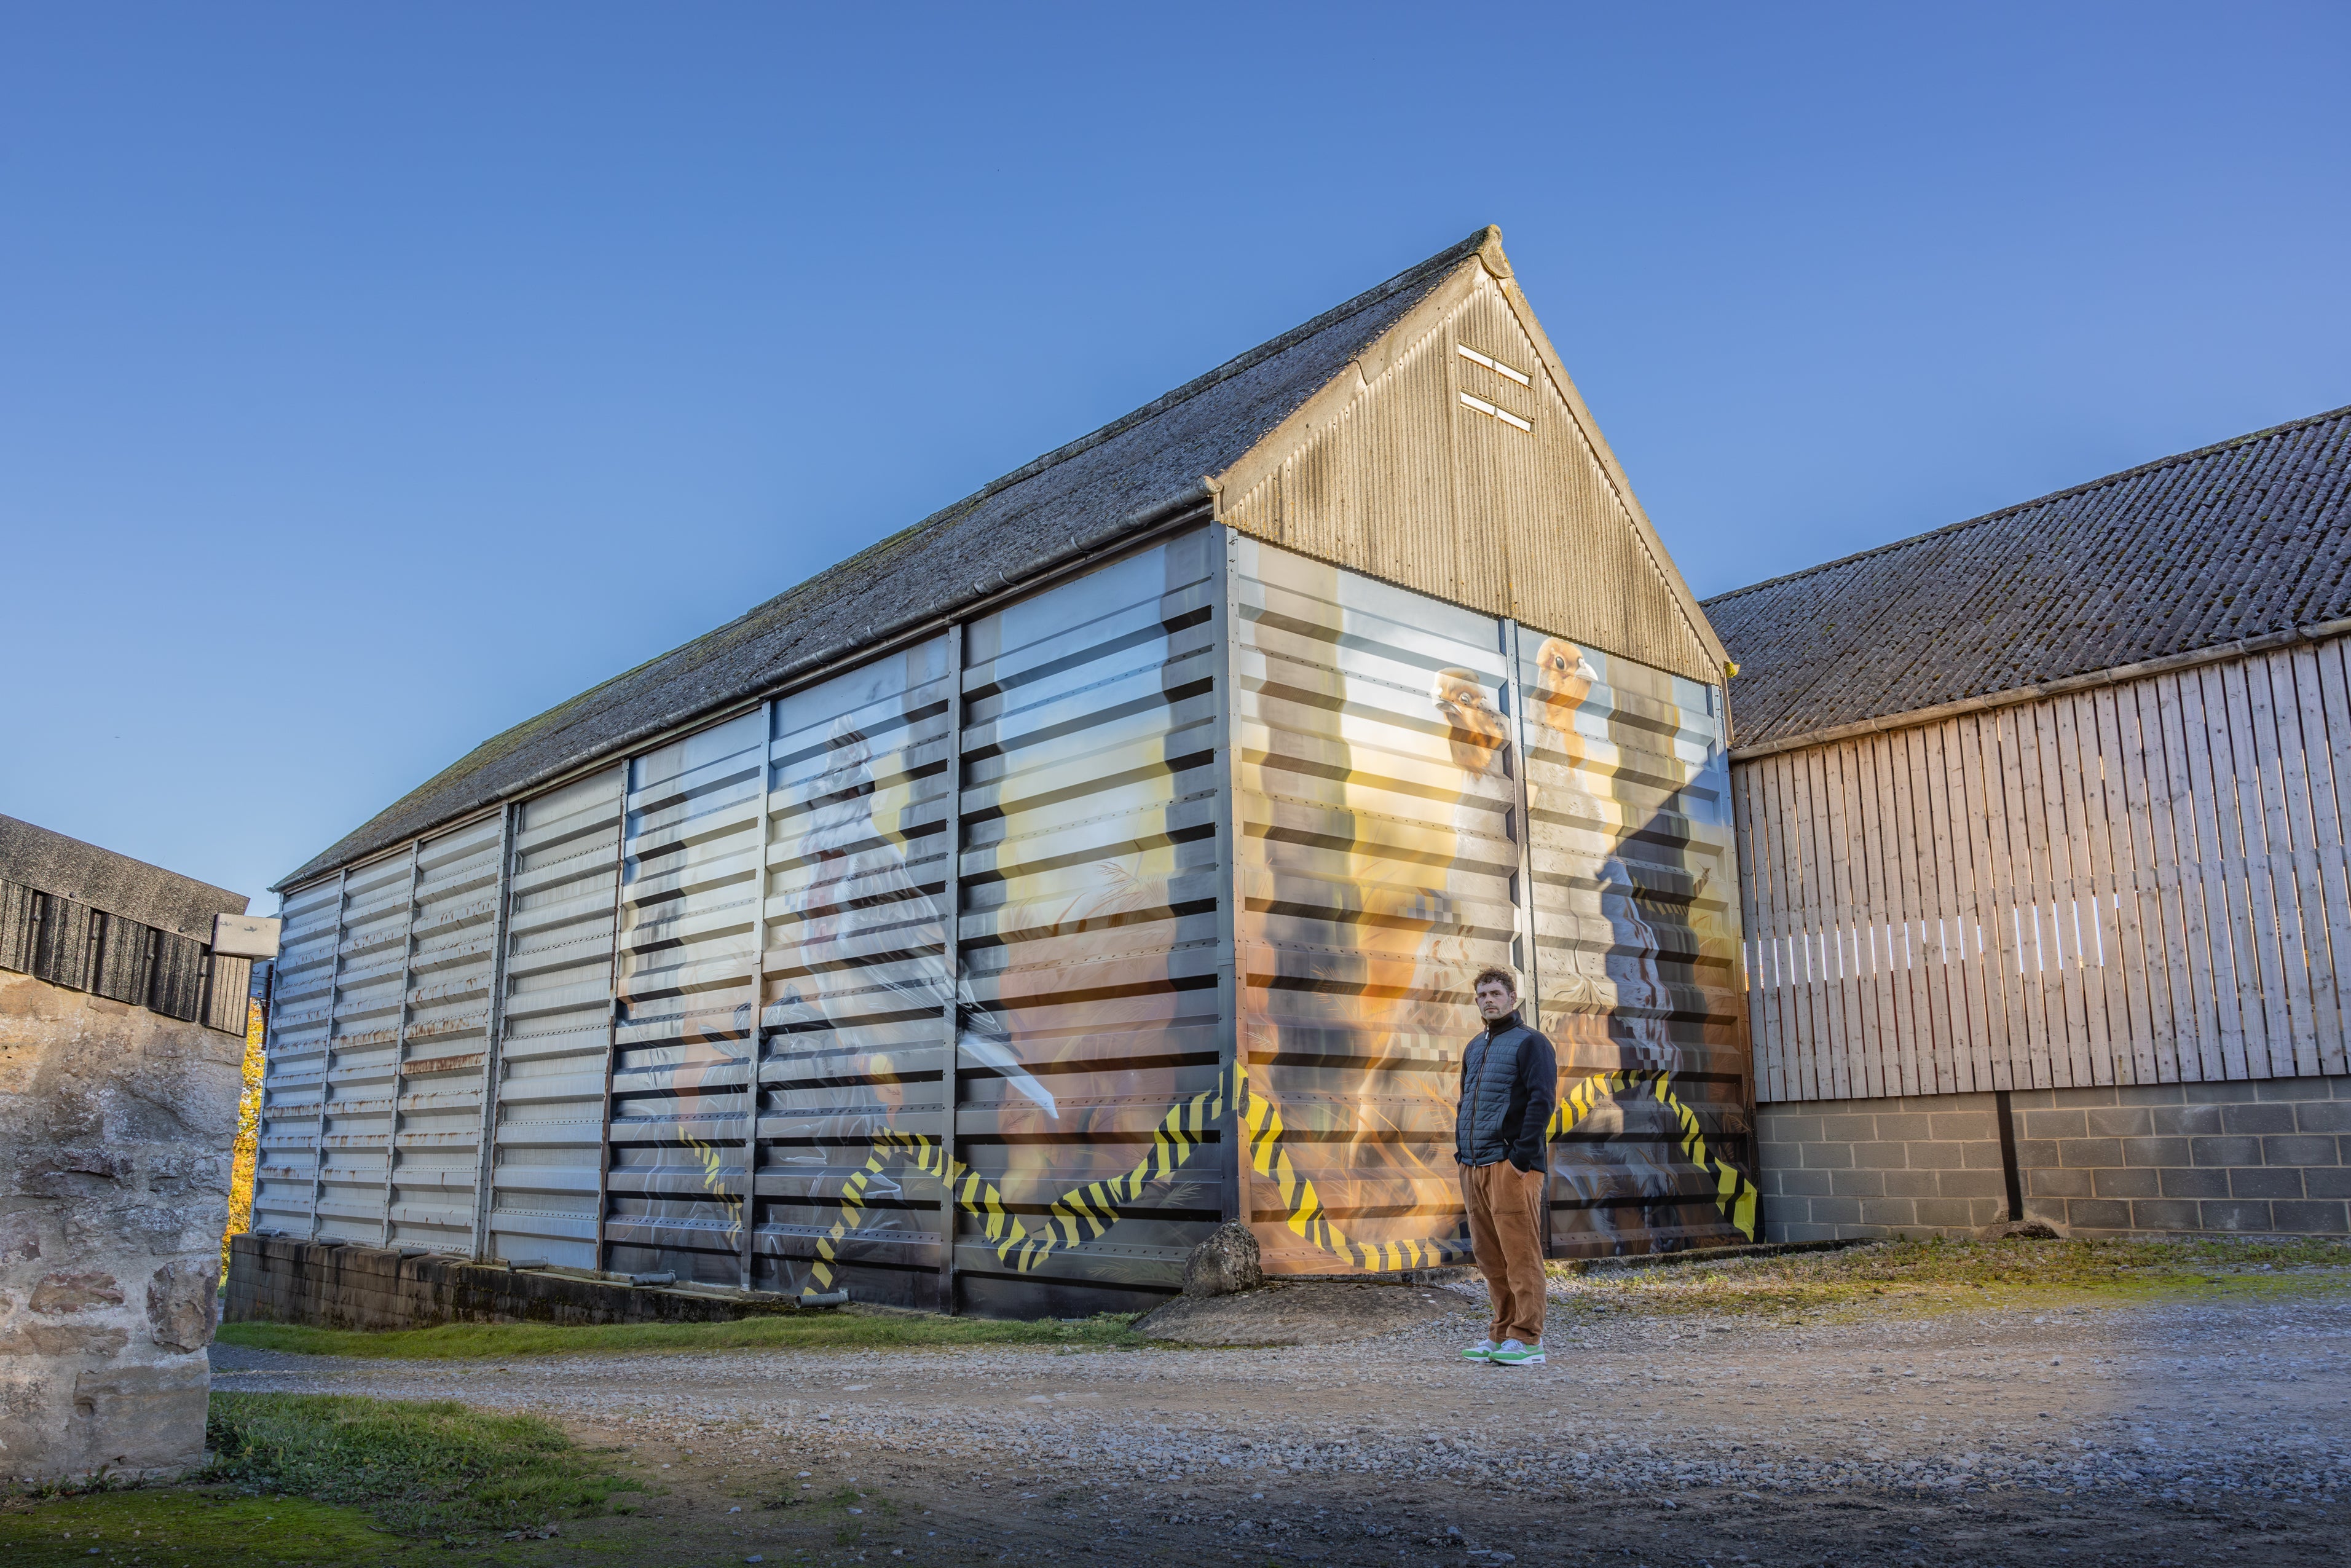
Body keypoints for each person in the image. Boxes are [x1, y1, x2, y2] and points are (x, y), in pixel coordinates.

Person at [1455, 966, 1557, 1366]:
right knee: (1489, 1254)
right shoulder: (1472, 1047)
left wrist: (1520, 1158)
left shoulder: (1531, 1043)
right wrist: (1460, 1153)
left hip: (1510, 1165)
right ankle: (1501, 1332)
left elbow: (1541, 1100)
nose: (1488, 1000)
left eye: (1495, 992)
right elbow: (1465, 1102)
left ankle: (1528, 1338)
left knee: (1519, 1252)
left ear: (1512, 997)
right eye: (1481, 995)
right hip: (1473, 1164)